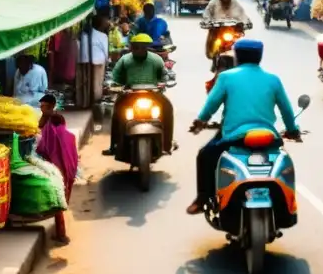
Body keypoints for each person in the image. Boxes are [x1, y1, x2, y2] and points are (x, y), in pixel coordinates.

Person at [187, 39, 301, 214]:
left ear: (237, 56)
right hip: (268, 135)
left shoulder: (226, 77)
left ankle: (203, 198)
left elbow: (211, 105)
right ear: (259, 57)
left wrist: (200, 122)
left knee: (205, 155)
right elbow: (286, 109)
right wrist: (293, 131)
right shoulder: (273, 79)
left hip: (234, 136)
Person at [105, 34, 173, 155]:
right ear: (132, 47)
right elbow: (115, 77)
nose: (140, 49)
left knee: (168, 108)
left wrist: (164, 82)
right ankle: (114, 145)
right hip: (129, 94)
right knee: (117, 111)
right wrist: (113, 85)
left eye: (143, 47)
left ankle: (167, 144)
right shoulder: (125, 60)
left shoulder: (156, 59)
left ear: (147, 47)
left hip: (153, 94)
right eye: (137, 47)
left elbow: (164, 75)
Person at [37, 94, 79, 245]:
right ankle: (60, 233)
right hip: (60, 163)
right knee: (59, 199)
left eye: (43, 106)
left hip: (57, 164)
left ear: (50, 106)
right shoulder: (48, 119)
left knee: (58, 200)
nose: (41, 108)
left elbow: (48, 144)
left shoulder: (53, 121)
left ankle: (61, 235)